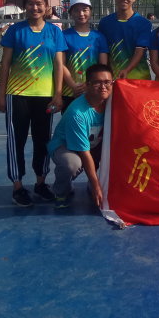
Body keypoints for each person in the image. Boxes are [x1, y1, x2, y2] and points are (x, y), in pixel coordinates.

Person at [0, 0, 67, 207]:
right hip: (17, 95)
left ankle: (40, 182)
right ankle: (17, 186)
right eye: (30, 3)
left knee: (42, 140)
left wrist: (57, 94)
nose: (35, 7)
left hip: (45, 96)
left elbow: (59, 65)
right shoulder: (15, 31)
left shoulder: (55, 32)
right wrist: (1, 95)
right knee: (16, 141)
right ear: (24, 6)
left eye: (39, 4)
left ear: (46, 7)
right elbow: (5, 64)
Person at [48, 63, 113, 209]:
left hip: (93, 144)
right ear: (87, 85)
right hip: (66, 146)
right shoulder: (77, 113)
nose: (103, 87)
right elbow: (84, 153)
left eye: (107, 82)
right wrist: (96, 187)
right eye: (97, 83)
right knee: (71, 164)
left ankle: (95, 183)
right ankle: (61, 191)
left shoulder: (112, 103)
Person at [97, 0, 152, 80]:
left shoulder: (144, 24)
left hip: (139, 80)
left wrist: (127, 70)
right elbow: (104, 53)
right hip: (114, 80)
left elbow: (139, 52)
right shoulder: (105, 23)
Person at [62, 0, 109, 111]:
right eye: (76, 10)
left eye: (84, 10)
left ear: (90, 12)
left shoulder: (99, 37)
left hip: (94, 90)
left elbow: (103, 66)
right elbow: (60, 64)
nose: (81, 14)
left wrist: (89, 84)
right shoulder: (64, 36)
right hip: (70, 92)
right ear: (71, 13)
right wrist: (73, 85)